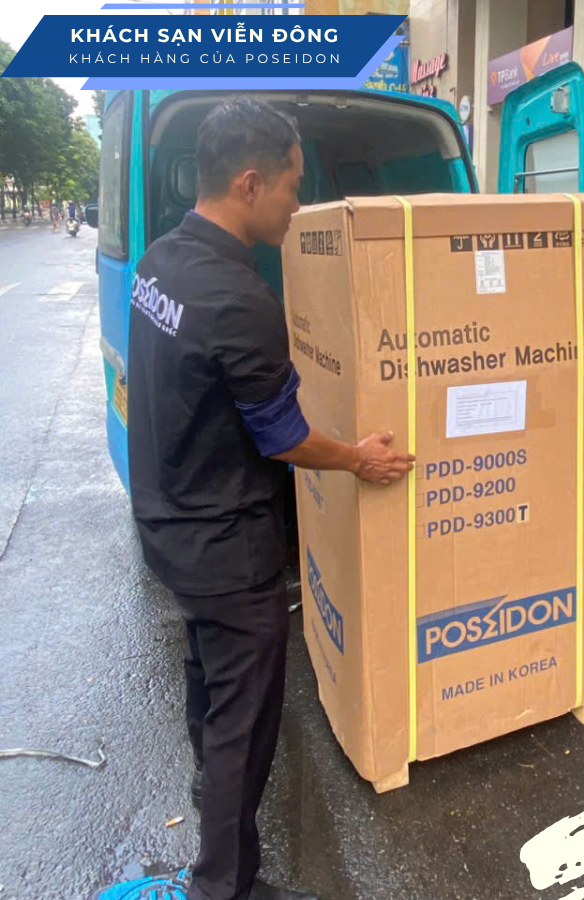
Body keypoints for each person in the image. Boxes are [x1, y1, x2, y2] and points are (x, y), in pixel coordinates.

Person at [93, 99, 413, 900]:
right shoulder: (238, 299)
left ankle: (210, 797)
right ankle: (224, 884)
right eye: (292, 187)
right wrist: (360, 458)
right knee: (246, 720)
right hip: (225, 544)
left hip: (167, 522)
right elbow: (283, 438)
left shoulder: (160, 263)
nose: (297, 205)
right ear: (249, 183)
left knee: (208, 677)